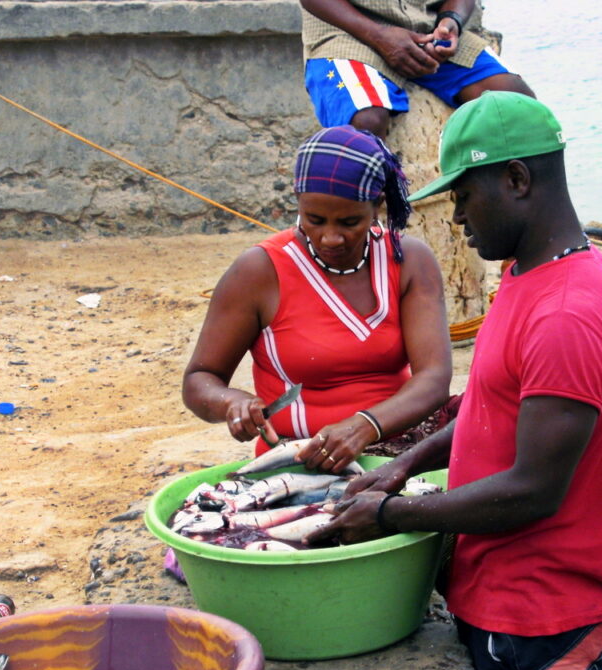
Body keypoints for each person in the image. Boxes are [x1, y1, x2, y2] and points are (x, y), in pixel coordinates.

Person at [307, 92, 602, 670]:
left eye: (464, 196)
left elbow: (534, 489)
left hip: (551, 626)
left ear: (517, 180)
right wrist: (402, 464)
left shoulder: (569, 312)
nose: (454, 218)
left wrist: (394, 514)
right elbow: (487, 410)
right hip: (500, 608)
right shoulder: (522, 276)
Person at [182, 125, 452, 474]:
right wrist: (231, 402)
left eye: (350, 221)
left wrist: (366, 425)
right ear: (298, 202)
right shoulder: (260, 272)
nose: (331, 238)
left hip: (400, 455)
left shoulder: (409, 260)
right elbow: (200, 379)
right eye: (314, 219)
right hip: (298, 463)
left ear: (377, 207)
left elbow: (433, 377)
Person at [299, 0, 534, 139]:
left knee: (516, 104)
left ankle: (505, 213)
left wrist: (451, 21)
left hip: (428, 26)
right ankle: (365, 220)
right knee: (366, 121)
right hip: (346, 32)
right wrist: (379, 36)